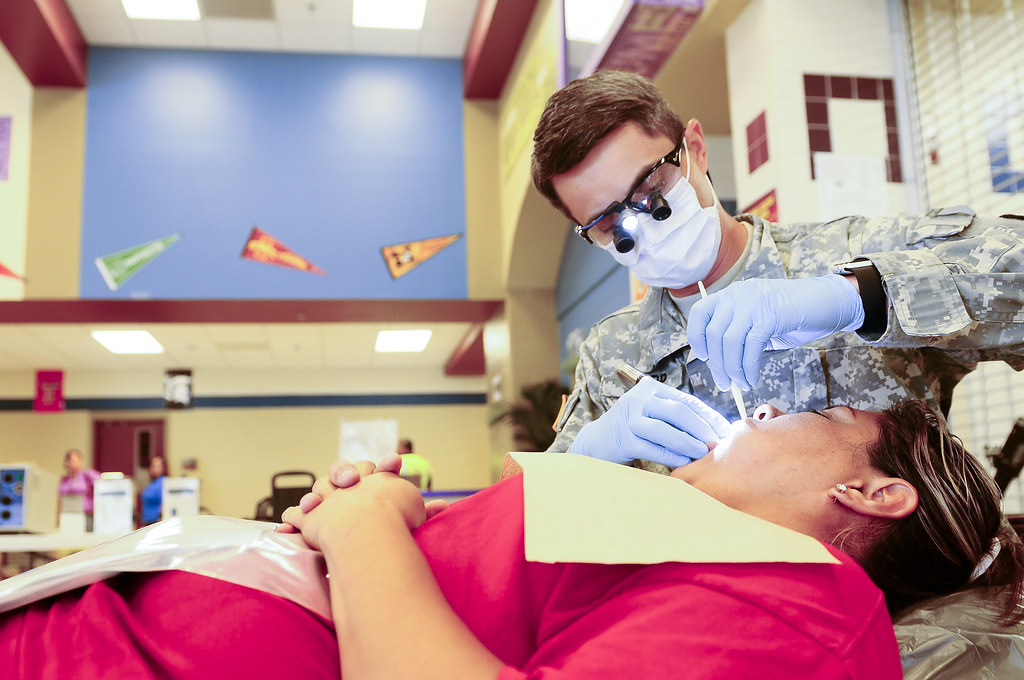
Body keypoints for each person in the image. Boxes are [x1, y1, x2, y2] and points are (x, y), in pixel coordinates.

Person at [1, 396, 1020, 678]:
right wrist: (390, 515)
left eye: (822, 408)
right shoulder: (693, 538)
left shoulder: (819, 605)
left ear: (868, 488)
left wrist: (364, 530)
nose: (774, 404)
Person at [531, 69, 1024, 469]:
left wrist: (857, 297)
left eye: (650, 185)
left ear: (695, 149)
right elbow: (536, 526)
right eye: (605, 221)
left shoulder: (851, 251)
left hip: (917, 588)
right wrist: (585, 459)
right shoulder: (612, 356)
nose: (639, 222)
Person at [58, 449, 100, 528]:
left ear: (80, 461)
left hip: (86, 516)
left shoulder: (88, 475)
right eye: (68, 460)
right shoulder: (64, 480)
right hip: (69, 516)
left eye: (73, 460)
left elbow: (104, 484)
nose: (71, 463)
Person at [139, 455, 167, 525]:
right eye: (153, 466)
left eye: (158, 466)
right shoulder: (153, 483)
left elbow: (165, 503)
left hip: (156, 522)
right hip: (148, 521)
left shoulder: (163, 483)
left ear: (163, 468)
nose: (155, 469)